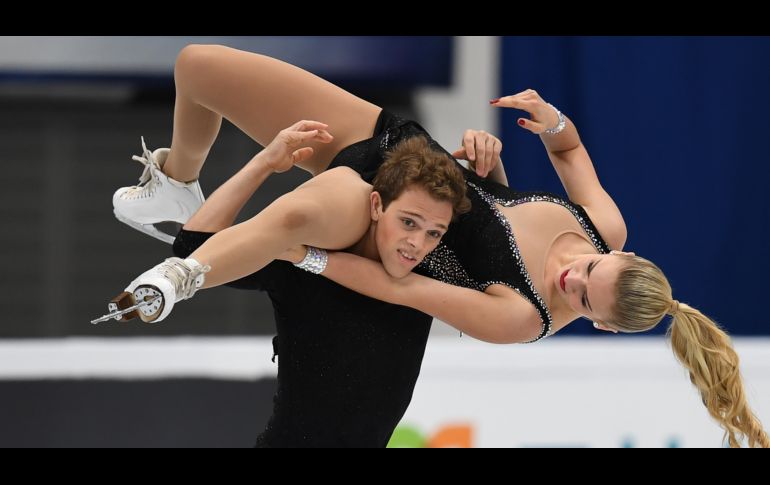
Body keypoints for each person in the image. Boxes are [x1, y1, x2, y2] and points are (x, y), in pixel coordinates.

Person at [103, 44, 767, 447]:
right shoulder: (605, 223)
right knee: (200, 67)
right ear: (616, 251)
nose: (572, 272)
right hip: (400, 147)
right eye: (590, 265)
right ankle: (177, 187)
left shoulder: (521, 319)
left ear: (596, 321)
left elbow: (402, 286)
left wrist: (310, 258)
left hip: (378, 222)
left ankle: (182, 270)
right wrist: (544, 125)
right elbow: (562, 154)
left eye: (581, 293)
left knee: (295, 212)